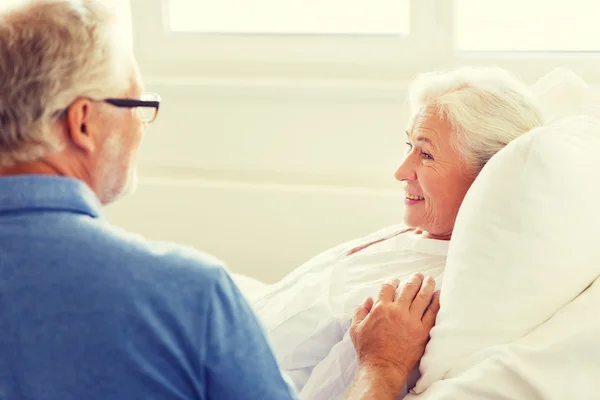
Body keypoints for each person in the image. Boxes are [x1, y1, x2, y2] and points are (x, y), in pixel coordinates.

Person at [0, 1, 442, 399]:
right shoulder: (187, 295)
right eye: (137, 103)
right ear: (82, 124)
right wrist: (381, 369)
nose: (141, 124)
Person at [249, 66, 545, 397]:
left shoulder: (432, 293)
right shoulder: (422, 233)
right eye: (409, 146)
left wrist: (383, 367)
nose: (401, 171)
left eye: (427, 153)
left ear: (489, 177)